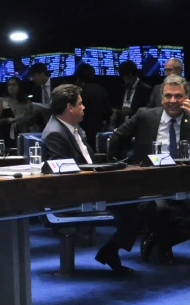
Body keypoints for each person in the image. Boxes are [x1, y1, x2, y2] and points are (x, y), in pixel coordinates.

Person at [110, 75, 190, 264]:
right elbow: (117, 138)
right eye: (168, 96)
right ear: (161, 98)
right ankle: (164, 248)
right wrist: (123, 166)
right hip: (147, 184)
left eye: (178, 96)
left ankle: (157, 240)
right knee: (160, 209)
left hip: (182, 183)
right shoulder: (145, 115)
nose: (173, 101)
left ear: (187, 98)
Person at [42, 84, 143, 273]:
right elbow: (64, 174)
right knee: (138, 207)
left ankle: (110, 251)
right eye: (80, 104)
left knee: (141, 203)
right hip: (74, 195)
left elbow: (88, 161)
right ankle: (110, 251)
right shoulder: (55, 133)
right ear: (69, 107)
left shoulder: (73, 128)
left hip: (91, 186)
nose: (84, 107)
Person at [0, 76, 38, 146]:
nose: (11, 87)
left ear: (19, 87)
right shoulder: (2, 100)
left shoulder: (26, 101)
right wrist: (6, 120)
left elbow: (32, 119)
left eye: (14, 85)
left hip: (24, 134)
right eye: (9, 85)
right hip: (7, 135)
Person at [75, 63, 111, 147]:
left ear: (78, 77)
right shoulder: (102, 90)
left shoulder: (79, 91)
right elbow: (108, 112)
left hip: (82, 130)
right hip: (99, 131)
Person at [114, 60, 152, 125]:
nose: (126, 81)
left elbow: (147, 111)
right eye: (124, 78)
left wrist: (131, 112)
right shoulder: (122, 88)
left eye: (128, 78)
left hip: (137, 125)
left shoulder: (146, 89)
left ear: (135, 75)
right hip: (121, 125)